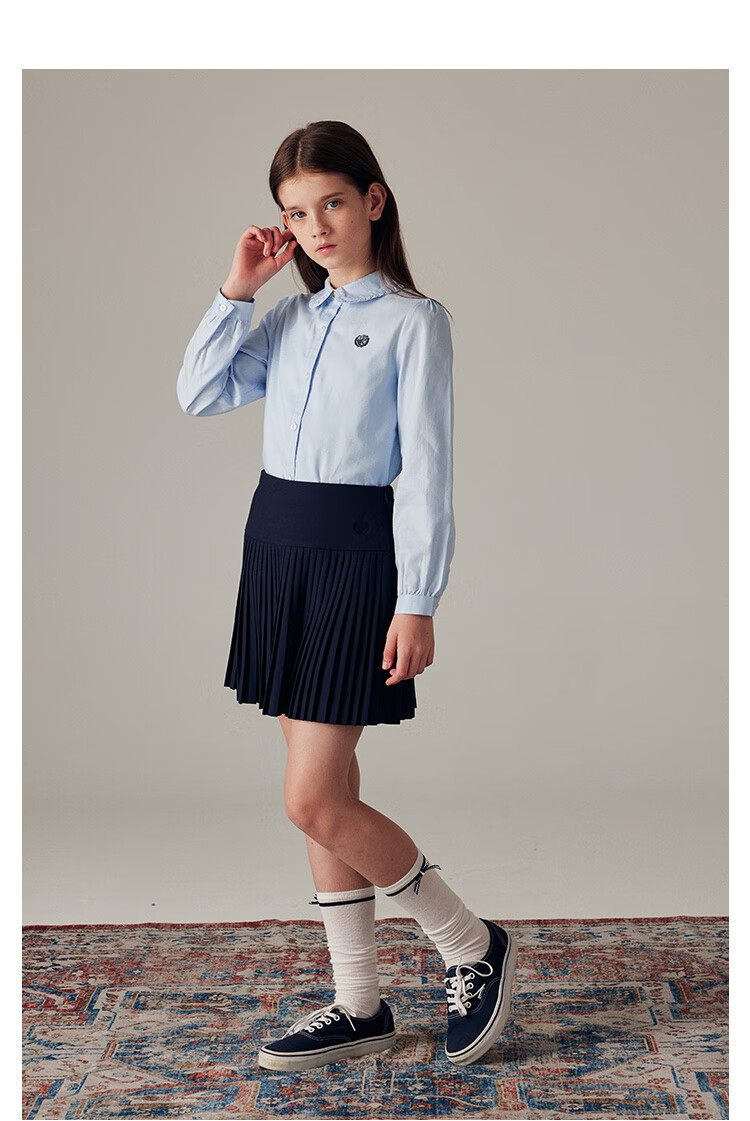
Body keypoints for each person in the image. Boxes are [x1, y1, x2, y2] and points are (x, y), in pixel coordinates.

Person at [176, 120, 517, 1071]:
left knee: (312, 797)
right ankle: (359, 1002)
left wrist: (419, 599)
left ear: (373, 199)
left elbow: (429, 473)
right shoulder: (288, 320)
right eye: (295, 212)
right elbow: (198, 393)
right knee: (327, 787)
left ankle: (470, 943)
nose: (316, 226)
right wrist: (236, 290)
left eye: (331, 202)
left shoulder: (415, 321)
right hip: (276, 550)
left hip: (355, 558)